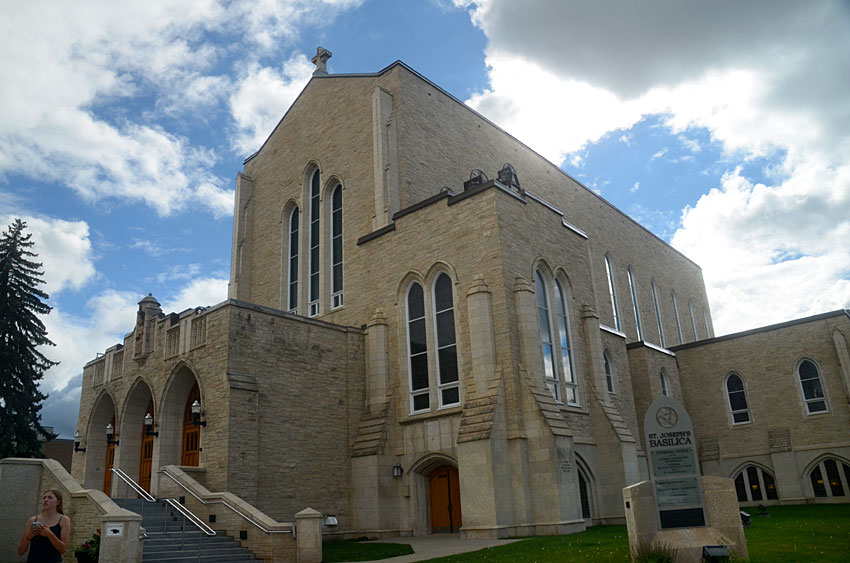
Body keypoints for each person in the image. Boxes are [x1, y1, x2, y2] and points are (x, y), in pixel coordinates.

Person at [18, 489, 70, 562]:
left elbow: (63, 549)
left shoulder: (64, 520)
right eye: (44, 497)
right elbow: (20, 551)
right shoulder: (32, 520)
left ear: (58, 502)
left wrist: (49, 534)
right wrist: (28, 537)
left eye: (50, 497)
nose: (46, 500)